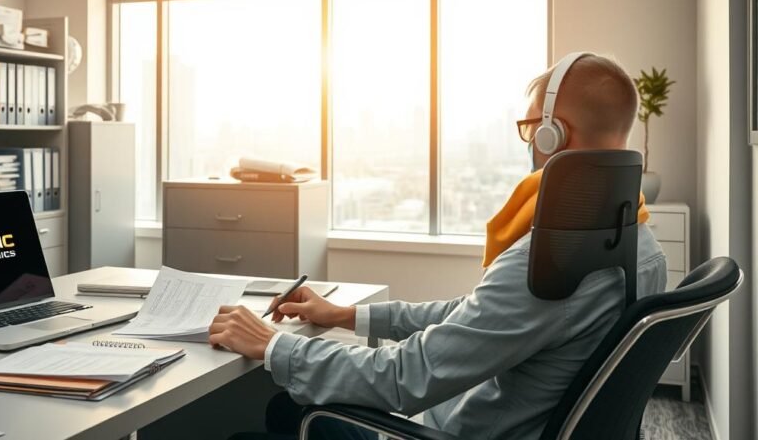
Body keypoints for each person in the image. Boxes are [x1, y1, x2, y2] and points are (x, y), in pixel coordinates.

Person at [209, 53, 668, 440]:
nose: (530, 143)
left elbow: (405, 378)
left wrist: (271, 344)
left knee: (270, 418)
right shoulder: (638, 244)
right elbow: (476, 315)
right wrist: (349, 315)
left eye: (531, 130)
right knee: (285, 413)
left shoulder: (551, 267)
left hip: (452, 432)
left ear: (555, 135)